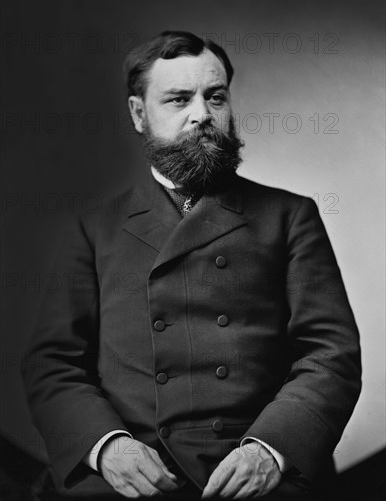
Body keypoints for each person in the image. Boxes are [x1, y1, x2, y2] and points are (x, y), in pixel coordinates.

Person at [23, 31, 361, 500]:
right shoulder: (94, 228)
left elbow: (331, 354)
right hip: (136, 472)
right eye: (179, 99)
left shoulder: (290, 216)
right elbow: (52, 363)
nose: (202, 114)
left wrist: (271, 450)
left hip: (255, 468)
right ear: (139, 114)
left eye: (215, 97)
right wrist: (107, 448)